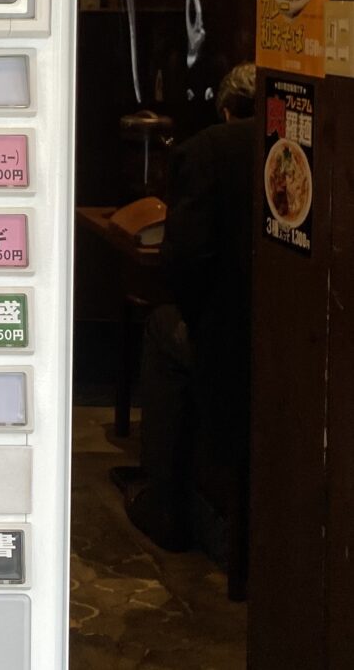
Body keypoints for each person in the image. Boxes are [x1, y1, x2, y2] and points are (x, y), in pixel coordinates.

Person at [112, 62, 257, 551]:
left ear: (226, 107)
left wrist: (198, 316)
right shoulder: (299, 146)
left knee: (160, 327)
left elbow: (184, 259)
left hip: (228, 336)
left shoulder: (208, 151)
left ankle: (165, 500)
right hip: (287, 338)